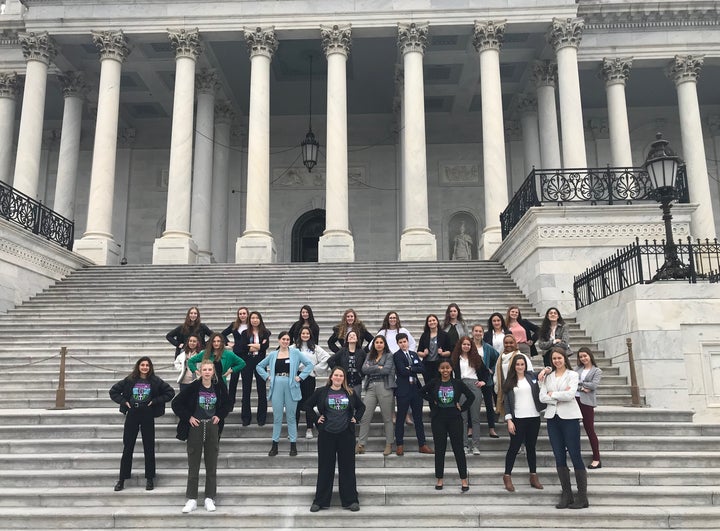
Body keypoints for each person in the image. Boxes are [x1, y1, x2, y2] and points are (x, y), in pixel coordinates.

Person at [172, 359, 231, 513]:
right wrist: (188, 417)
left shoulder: (218, 387)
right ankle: (191, 498)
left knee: (211, 464)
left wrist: (220, 415)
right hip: (196, 427)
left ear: (213, 372)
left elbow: (228, 403)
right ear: (200, 371)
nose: (206, 372)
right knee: (194, 464)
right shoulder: (193, 387)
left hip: (212, 427)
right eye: (204, 369)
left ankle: (209, 497)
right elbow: (176, 403)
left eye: (209, 369)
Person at [109, 356, 174, 492]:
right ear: (138, 366)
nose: (145, 367)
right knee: (128, 447)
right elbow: (113, 391)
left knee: (148, 447)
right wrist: (124, 402)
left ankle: (149, 478)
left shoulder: (155, 381)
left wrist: (155, 401)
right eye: (142, 365)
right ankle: (122, 478)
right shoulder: (130, 379)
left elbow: (170, 392)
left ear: (150, 367)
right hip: (132, 414)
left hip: (147, 415)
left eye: (147, 365)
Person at [305, 367, 366, 512]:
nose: (338, 378)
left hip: (346, 434)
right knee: (325, 468)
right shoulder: (321, 392)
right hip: (327, 434)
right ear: (331, 377)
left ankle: (351, 500)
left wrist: (355, 418)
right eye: (336, 375)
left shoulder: (350, 392)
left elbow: (362, 407)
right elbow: (306, 405)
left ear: (343, 378)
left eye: (341, 376)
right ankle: (320, 501)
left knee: (347, 468)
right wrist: (316, 419)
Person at [540, 346, 588, 510]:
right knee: (559, 456)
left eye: (559, 358)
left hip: (570, 418)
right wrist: (555, 396)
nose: (557, 361)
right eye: (554, 359)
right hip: (553, 418)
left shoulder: (573, 375)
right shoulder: (548, 376)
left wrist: (552, 394)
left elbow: (570, 395)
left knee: (575, 454)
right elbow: (541, 397)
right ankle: (566, 495)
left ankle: (582, 497)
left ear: (564, 359)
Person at [256, 331, 314, 457]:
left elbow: (309, 364)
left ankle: (293, 445)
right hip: (276, 383)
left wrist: (301, 376)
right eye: (283, 339)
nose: (285, 341)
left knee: (291, 417)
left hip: (291, 384)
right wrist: (267, 376)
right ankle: (274, 445)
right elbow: (259, 366)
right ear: (279, 340)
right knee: (277, 417)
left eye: (288, 339)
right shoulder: (273, 354)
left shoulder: (295, 353)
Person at [421, 360, 474, 491]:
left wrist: (462, 408)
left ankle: (464, 480)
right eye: (442, 368)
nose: (445, 370)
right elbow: (421, 392)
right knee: (440, 449)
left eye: (447, 368)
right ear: (439, 370)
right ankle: (439, 479)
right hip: (438, 418)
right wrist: (432, 400)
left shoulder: (457, 383)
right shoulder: (434, 382)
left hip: (454, 418)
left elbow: (471, 396)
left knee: (458, 449)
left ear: (451, 369)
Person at [502, 355, 546, 492]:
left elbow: (548, 370)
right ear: (514, 366)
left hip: (533, 417)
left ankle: (533, 476)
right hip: (518, 419)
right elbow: (507, 403)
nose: (520, 367)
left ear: (525, 365)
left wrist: (546, 370)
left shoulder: (531, 376)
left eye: (522, 364)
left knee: (531, 447)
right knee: (514, 448)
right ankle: (507, 476)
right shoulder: (509, 381)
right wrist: (509, 420)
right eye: (517, 364)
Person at [393, 333, 434, 456]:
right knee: (401, 418)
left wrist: (410, 368)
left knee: (418, 418)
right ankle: (399, 444)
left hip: (415, 389)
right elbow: (402, 371)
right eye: (400, 342)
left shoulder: (414, 354)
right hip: (403, 390)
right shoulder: (397, 356)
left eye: (404, 341)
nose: (403, 344)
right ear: (398, 344)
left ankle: (422, 444)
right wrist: (413, 368)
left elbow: (422, 368)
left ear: (408, 342)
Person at [357, 335, 396, 456]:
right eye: (376, 342)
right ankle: (361, 444)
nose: (379, 344)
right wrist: (378, 367)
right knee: (365, 416)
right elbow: (364, 369)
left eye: (381, 342)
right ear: (373, 344)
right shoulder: (369, 355)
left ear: (384, 344)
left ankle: (389, 443)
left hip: (385, 386)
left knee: (387, 418)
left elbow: (386, 370)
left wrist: (372, 368)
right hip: (371, 387)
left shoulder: (389, 356)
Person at [450, 336, 490, 455]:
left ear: (471, 346)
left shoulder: (477, 358)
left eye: (468, 344)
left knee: (475, 417)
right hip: (461, 385)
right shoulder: (455, 358)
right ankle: (464, 445)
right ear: (460, 345)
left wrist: (483, 381)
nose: (466, 346)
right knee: (463, 417)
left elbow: (486, 372)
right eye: (464, 344)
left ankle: (476, 445)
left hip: (474, 385)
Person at [295, 325, 332, 439]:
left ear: (310, 335)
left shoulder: (315, 348)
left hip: (309, 378)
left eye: (307, 333)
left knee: (308, 403)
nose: (305, 335)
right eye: (303, 333)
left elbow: (327, 358)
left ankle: (309, 428)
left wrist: (315, 369)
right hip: (296, 377)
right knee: (295, 403)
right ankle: (294, 429)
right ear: (300, 335)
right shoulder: (294, 347)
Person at [236, 311, 271, 426]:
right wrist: (258, 346)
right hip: (248, 361)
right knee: (246, 390)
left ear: (260, 319)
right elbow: (242, 347)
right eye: (252, 318)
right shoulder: (245, 333)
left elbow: (265, 346)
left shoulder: (265, 333)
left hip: (261, 362)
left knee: (261, 390)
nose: (254, 320)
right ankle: (246, 417)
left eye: (256, 318)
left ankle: (261, 418)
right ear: (249, 320)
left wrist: (253, 346)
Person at [575, 347, 603, 469]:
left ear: (590, 356)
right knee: (572, 429)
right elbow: (572, 382)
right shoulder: (577, 369)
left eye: (585, 356)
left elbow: (594, 385)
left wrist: (580, 385)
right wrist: (583, 388)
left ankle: (597, 458)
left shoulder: (597, 370)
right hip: (574, 400)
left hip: (587, 403)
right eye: (581, 357)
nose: (583, 358)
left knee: (589, 429)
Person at [471, 324, 500, 438]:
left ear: (482, 333)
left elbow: (497, 358)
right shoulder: (469, 346)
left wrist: (492, 370)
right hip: (472, 378)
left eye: (480, 331)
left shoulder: (487, 347)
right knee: (472, 404)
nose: (478, 333)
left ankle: (491, 428)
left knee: (489, 404)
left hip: (486, 380)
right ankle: (470, 428)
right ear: (472, 332)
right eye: (476, 331)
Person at [495, 335, 534, 418]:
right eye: (506, 343)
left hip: (518, 389)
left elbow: (530, 373)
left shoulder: (522, 357)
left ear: (515, 344)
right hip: (505, 389)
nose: (508, 345)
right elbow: (496, 374)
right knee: (509, 416)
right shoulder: (500, 358)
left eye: (511, 342)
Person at [220, 306, 250, 405]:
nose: (242, 315)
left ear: (247, 314)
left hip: (247, 355)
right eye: (240, 313)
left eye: (244, 313)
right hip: (236, 355)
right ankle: (230, 402)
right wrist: (228, 343)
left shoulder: (251, 325)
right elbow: (222, 334)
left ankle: (245, 402)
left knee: (246, 381)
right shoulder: (234, 325)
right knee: (233, 380)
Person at [327, 330, 366, 396]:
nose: (352, 337)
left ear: (357, 339)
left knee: (356, 399)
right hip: (345, 380)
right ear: (347, 340)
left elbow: (367, 363)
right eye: (350, 336)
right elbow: (330, 360)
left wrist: (361, 374)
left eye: (354, 335)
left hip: (357, 380)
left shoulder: (361, 352)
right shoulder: (343, 350)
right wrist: (337, 371)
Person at [418, 314, 452, 383]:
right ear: (427, 323)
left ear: (437, 322)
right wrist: (424, 354)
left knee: (439, 384)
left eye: (434, 320)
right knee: (429, 385)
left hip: (440, 364)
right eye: (429, 321)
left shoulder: (444, 335)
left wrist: (442, 353)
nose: (432, 322)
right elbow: (419, 351)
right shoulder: (424, 335)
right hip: (427, 365)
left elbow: (450, 351)